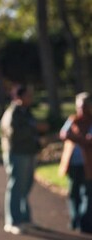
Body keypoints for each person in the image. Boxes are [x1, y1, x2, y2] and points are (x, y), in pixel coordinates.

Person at [0, 85, 48, 235]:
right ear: (18, 97)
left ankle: (25, 218)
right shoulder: (12, 113)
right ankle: (12, 221)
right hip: (17, 154)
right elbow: (14, 134)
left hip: (29, 153)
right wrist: (35, 128)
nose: (31, 98)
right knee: (16, 186)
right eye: (28, 96)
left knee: (25, 187)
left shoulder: (26, 112)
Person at [58, 92, 92, 233]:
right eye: (79, 107)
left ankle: (85, 222)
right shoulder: (72, 120)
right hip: (72, 162)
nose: (81, 110)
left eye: (84, 107)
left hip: (88, 164)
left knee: (87, 194)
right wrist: (80, 139)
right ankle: (75, 219)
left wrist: (75, 137)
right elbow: (63, 134)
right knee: (73, 193)